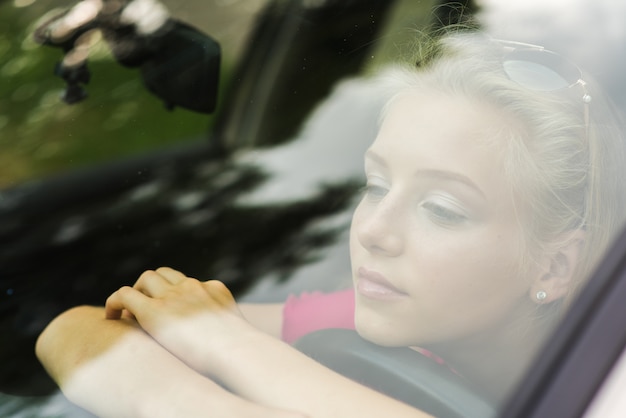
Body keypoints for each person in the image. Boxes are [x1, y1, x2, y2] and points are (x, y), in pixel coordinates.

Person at [35, 32, 626, 417]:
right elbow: (74, 330)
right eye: (376, 186)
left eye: (442, 209)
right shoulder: (377, 315)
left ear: (554, 265)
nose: (373, 231)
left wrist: (227, 344)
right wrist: (187, 396)